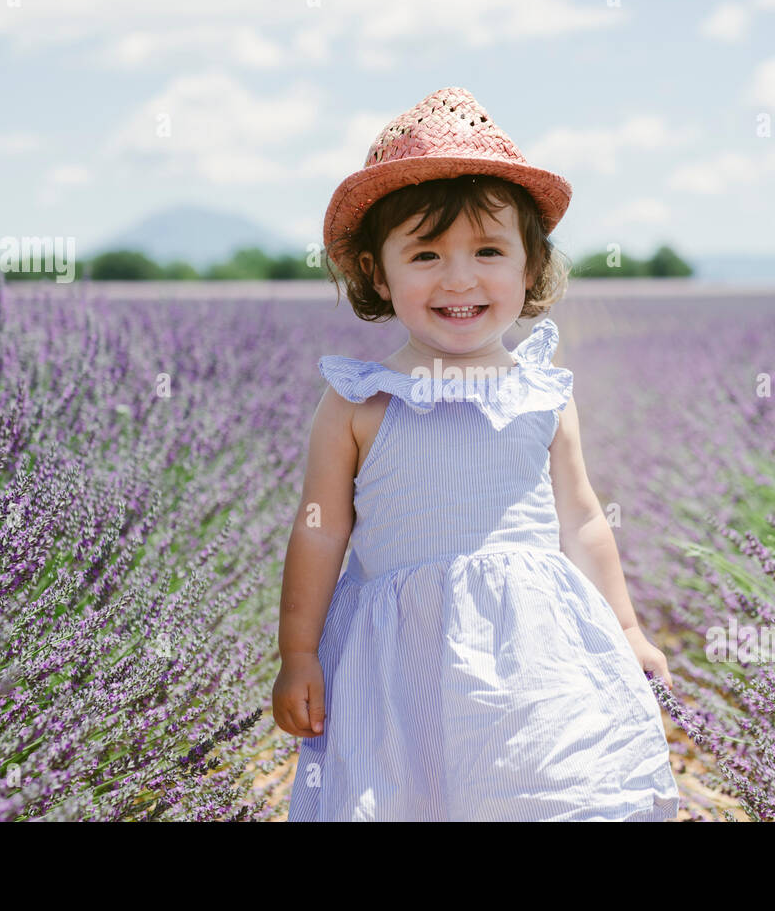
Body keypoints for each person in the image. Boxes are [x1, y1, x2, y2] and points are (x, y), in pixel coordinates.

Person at [273, 86, 680, 821]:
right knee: (408, 796)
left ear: (530, 268)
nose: (459, 278)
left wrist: (626, 629)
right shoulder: (360, 401)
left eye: (488, 251)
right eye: (426, 254)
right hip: (402, 664)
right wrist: (298, 653)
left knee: (549, 789)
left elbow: (582, 519)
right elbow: (319, 530)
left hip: (533, 652)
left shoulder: (542, 393)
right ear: (375, 272)